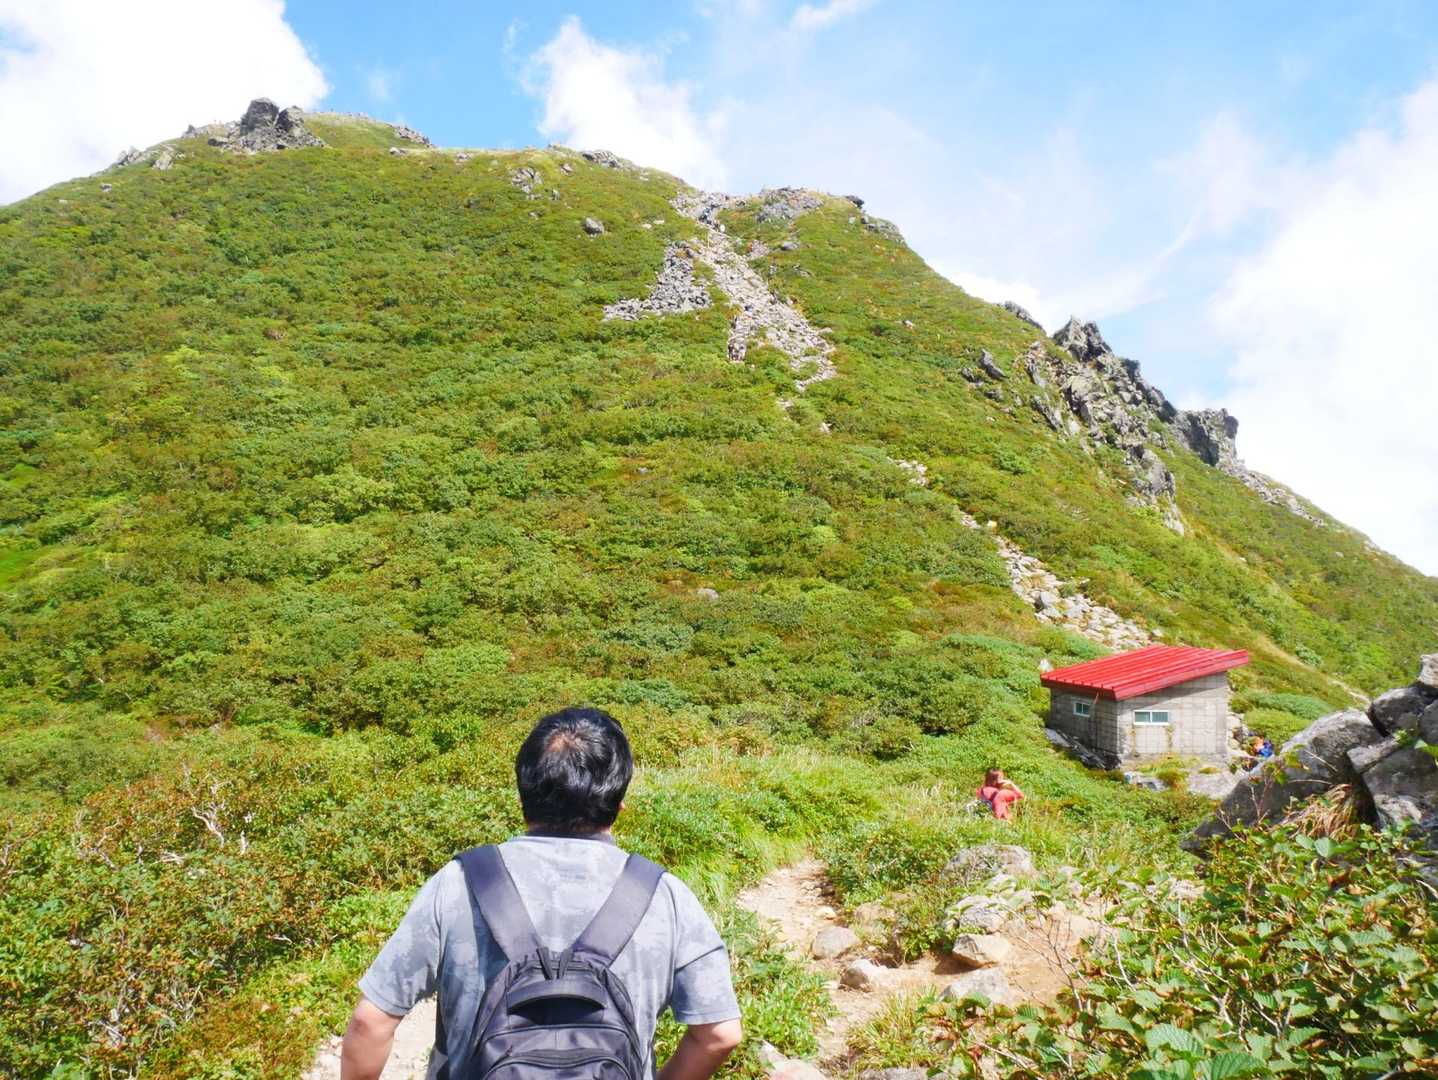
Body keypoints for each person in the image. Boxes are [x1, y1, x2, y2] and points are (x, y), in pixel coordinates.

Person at [340, 707, 743, 1080]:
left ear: (523, 797)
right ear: (619, 804)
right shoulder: (664, 895)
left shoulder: (458, 882)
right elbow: (719, 1034)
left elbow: (371, 1021)